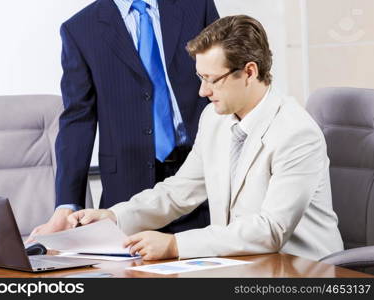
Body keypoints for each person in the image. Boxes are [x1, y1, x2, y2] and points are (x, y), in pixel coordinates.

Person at [66, 15, 344, 261]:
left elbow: (270, 229)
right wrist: (114, 217)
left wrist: (176, 244)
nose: (202, 91)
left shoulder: (296, 133)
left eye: (212, 79)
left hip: (300, 269)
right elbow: (179, 192)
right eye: (200, 77)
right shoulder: (215, 119)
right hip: (242, 264)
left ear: (249, 72)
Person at [28, 0, 219, 240]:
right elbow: (78, 119)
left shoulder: (196, 6)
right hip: (127, 186)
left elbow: (225, 77)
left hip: (199, 173)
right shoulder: (80, 29)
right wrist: (66, 204)